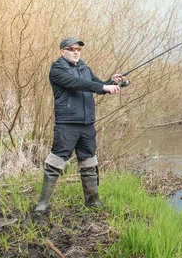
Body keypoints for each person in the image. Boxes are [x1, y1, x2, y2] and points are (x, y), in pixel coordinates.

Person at [34, 37, 123, 212]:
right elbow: (76, 84)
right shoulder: (57, 69)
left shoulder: (84, 68)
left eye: (78, 49)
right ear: (62, 51)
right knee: (55, 162)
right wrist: (102, 87)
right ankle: (43, 204)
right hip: (67, 124)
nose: (76, 52)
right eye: (71, 49)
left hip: (87, 124)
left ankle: (92, 201)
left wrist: (111, 82)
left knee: (89, 161)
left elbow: (97, 85)